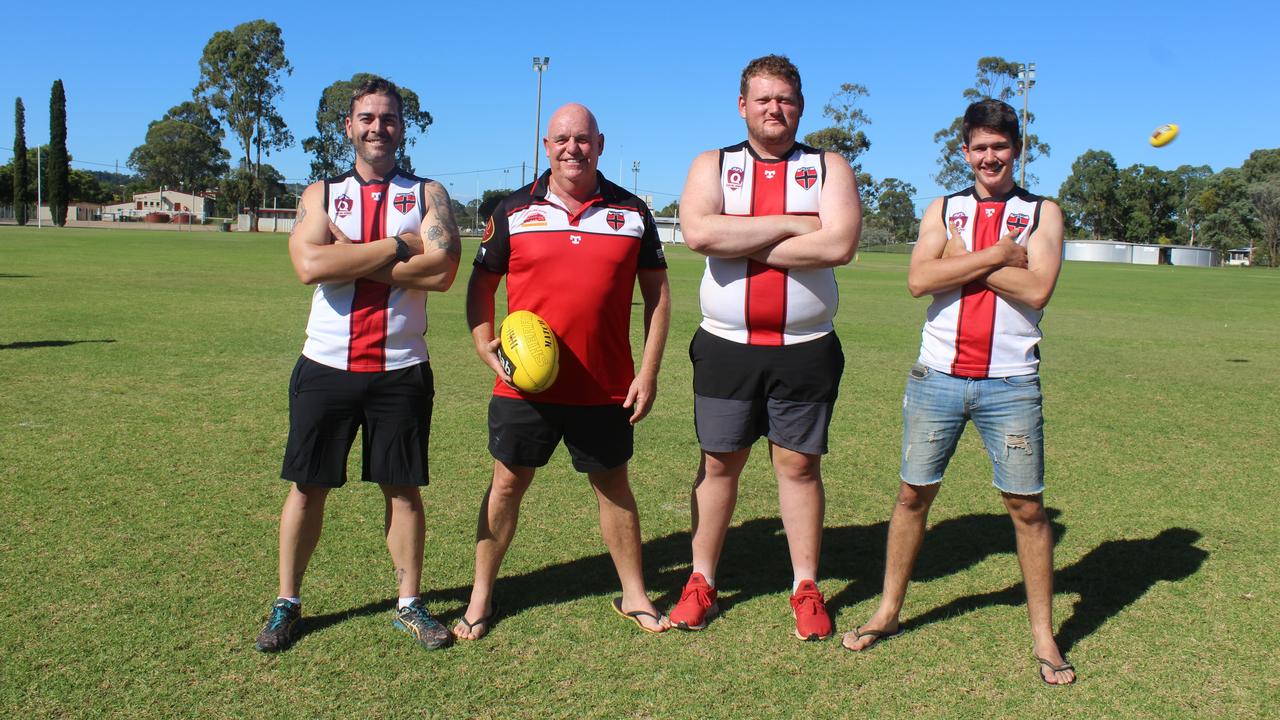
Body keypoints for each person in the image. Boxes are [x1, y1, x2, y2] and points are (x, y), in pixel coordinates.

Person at [841, 99, 1075, 686]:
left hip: (1011, 383)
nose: (990, 156)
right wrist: (997, 255)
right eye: (979, 146)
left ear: (1016, 149)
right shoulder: (943, 207)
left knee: (1026, 508)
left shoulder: (1044, 212)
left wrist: (958, 258)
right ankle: (889, 612)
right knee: (913, 496)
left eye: (1000, 145)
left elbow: (1039, 288)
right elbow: (920, 279)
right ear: (964, 151)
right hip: (937, 378)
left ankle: (1044, 636)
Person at [254, 76, 462, 653]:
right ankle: (287, 603)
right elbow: (308, 266)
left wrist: (346, 257)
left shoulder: (429, 194)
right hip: (326, 364)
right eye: (366, 118)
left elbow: (443, 270)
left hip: (400, 368)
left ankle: (410, 604)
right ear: (348, 127)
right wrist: (400, 247)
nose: (378, 128)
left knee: (403, 489)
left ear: (403, 126)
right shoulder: (321, 193)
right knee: (307, 487)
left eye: (389, 118)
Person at [452, 103, 672, 640]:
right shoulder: (511, 210)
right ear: (546, 147)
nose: (572, 148)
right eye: (561, 140)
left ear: (599, 143)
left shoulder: (631, 212)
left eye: (582, 138)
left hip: (605, 386)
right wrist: (485, 345)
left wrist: (648, 371)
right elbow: (481, 284)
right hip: (523, 385)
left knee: (613, 487)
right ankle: (479, 598)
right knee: (505, 485)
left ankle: (635, 594)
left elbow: (659, 294)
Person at [669, 55, 862, 641]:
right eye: (763, 99)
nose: (774, 109)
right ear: (742, 105)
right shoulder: (714, 163)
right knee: (720, 462)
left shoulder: (829, 166)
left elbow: (841, 244)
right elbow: (699, 232)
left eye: (785, 99)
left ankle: (805, 585)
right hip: (727, 346)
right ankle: (701, 579)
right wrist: (795, 225)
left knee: (799, 466)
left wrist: (742, 238)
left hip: (805, 347)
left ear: (799, 106)